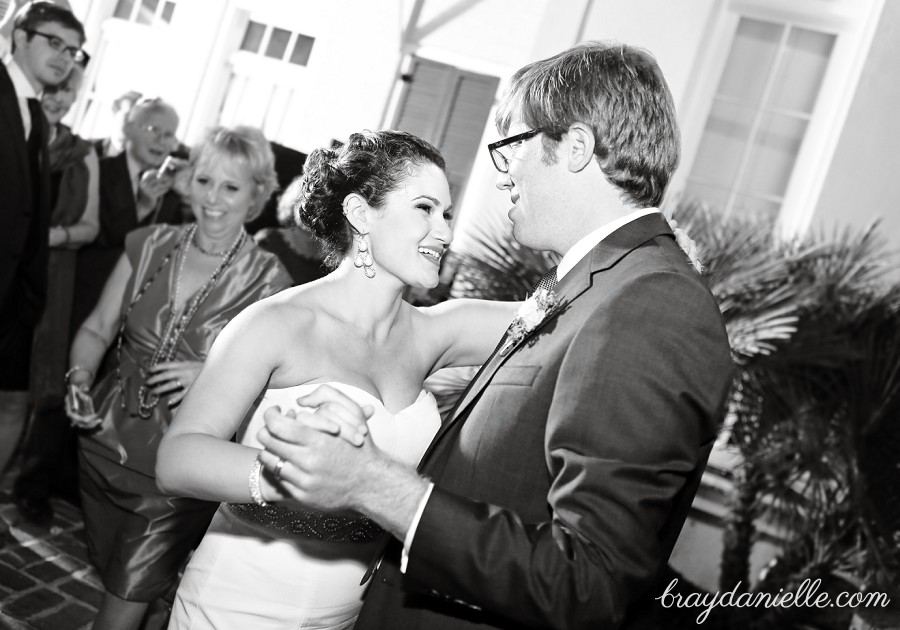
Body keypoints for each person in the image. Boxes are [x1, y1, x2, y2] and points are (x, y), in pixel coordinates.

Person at [258, 42, 735, 629]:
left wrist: (375, 484)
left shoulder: (652, 304)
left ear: (577, 148)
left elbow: (587, 582)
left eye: (512, 145)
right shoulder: (597, 284)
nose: (499, 170)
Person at [155, 130, 519, 629]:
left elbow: (573, 311)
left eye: (447, 214)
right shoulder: (278, 322)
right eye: (425, 208)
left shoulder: (437, 332)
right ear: (361, 213)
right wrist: (298, 474)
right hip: (238, 602)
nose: (445, 233)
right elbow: (178, 458)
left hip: (347, 614)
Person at [65, 125, 292, 630]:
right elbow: (98, 328)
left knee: (121, 602)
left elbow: (279, 386)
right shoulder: (148, 245)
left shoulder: (270, 281)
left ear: (256, 196)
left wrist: (214, 375)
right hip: (103, 441)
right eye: (204, 180)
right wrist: (79, 377)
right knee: (122, 580)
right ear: (187, 181)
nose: (213, 198)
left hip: (179, 468)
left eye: (231, 187)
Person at [0, 0, 85, 478]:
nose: (65, 56)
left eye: (73, 51)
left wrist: (29, 300)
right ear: (19, 36)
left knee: (13, 404)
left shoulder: (35, 111)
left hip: (16, 300)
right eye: (54, 42)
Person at [13, 57, 100, 525]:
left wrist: (46, 237)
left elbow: (89, 226)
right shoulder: (12, 132)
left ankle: (21, 486)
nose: (58, 96)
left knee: (24, 387)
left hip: (51, 277)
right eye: (55, 86)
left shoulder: (80, 151)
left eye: (69, 89)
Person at [71, 96, 186, 338]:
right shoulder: (97, 171)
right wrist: (142, 207)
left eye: (169, 135)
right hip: (81, 299)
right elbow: (93, 236)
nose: (161, 141)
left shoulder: (170, 192)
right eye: (154, 130)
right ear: (128, 128)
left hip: (129, 318)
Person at [92, 89, 142, 159]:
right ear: (115, 113)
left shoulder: (144, 163)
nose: (132, 125)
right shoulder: (86, 149)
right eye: (127, 116)